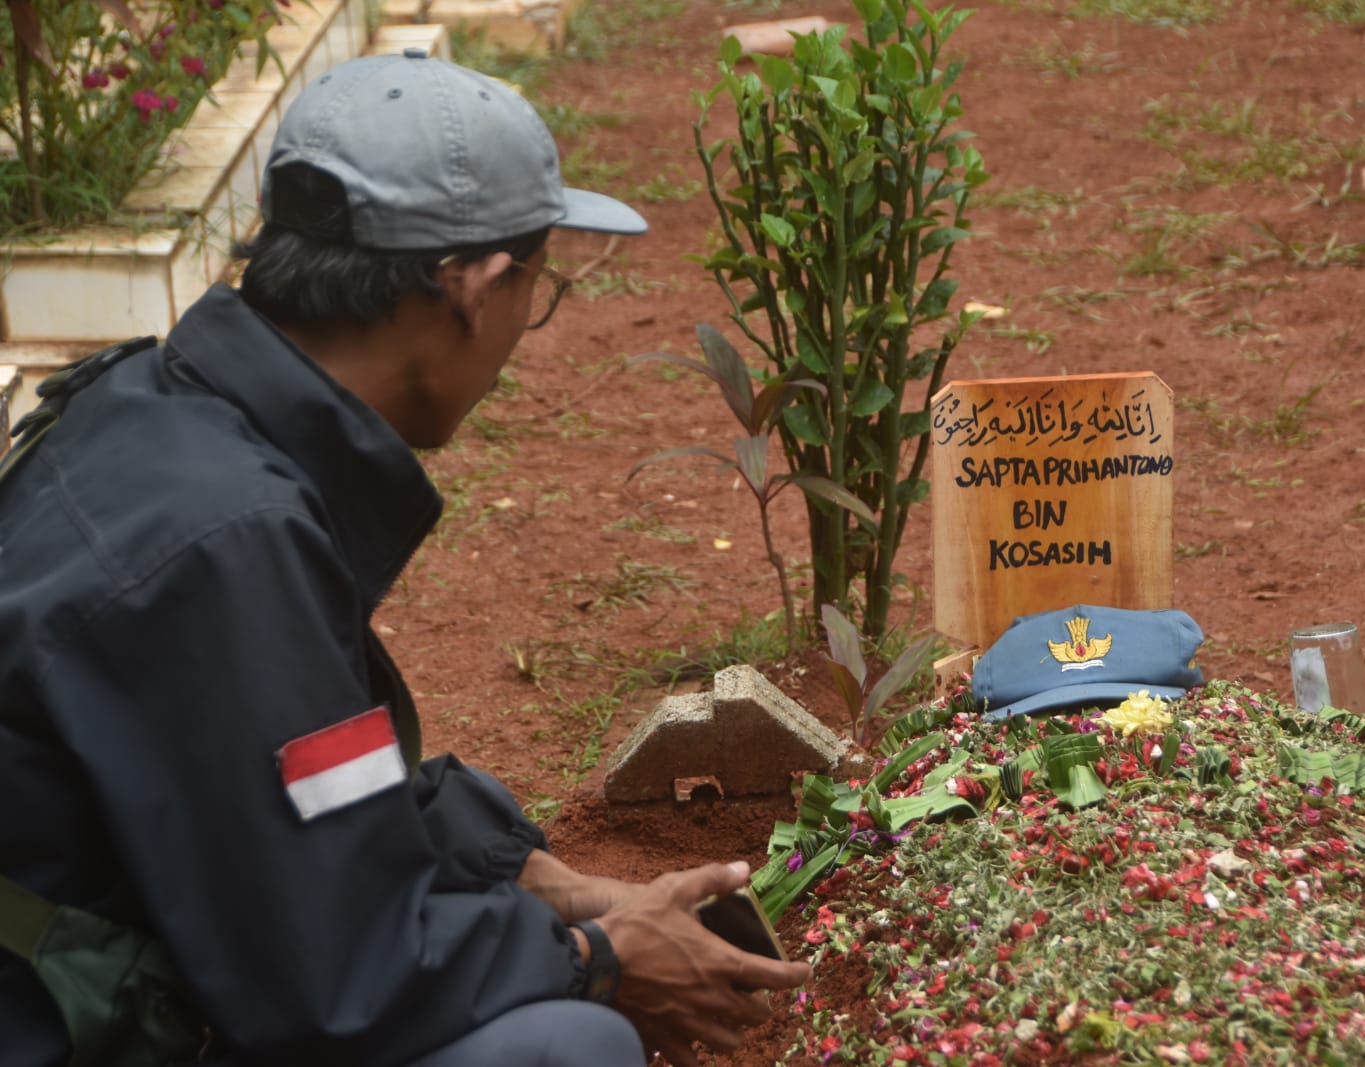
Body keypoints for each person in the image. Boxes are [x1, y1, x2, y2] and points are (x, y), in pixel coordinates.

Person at [0, 51, 810, 1066]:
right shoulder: (228, 543)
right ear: (474, 287)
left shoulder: (161, 418)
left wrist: (539, 879)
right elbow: (335, 980)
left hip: (94, 947)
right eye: (539, 287)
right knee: (566, 1042)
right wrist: (593, 956)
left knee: (507, 901)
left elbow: (283, 774)